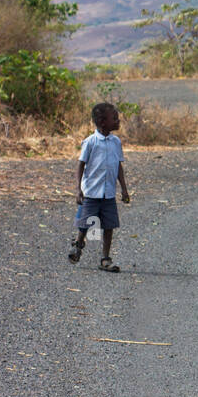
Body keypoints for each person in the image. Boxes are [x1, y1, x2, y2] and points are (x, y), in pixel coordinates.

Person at [69, 102, 131, 272]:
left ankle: (105, 258)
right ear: (103, 122)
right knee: (86, 222)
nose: (118, 121)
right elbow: (80, 165)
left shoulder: (115, 142)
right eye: (115, 118)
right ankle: (79, 244)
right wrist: (78, 189)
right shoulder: (90, 142)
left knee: (109, 225)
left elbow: (118, 166)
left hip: (109, 193)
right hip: (91, 192)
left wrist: (124, 189)